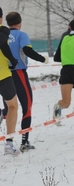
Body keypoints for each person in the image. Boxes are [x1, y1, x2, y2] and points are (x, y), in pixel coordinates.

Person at [1, 12, 48, 152]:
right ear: (20, 22)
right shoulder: (21, 35)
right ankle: (24, 141)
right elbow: (27, 51)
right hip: (19, 72)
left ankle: (5, 125)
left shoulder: (3, 33)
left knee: (10, 107)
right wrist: (43, 59)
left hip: (5, 74)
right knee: (26, 106)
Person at [0, 7, 19, 155]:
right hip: (2, 74)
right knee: (12, 106)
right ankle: (9, 143)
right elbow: (2, 44)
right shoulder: (4, 31)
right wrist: (12, 59)